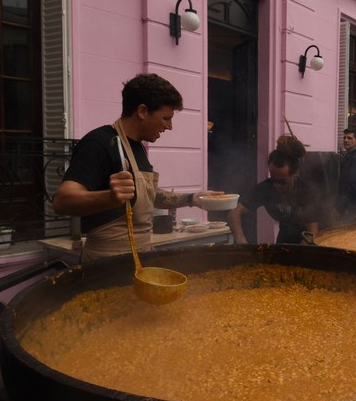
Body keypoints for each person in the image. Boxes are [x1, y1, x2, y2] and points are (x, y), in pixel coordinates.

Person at [53, 73, 212, 262]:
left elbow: (147, 195)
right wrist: (110, 197)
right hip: (106, 264)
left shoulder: (138, 147)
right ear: (143, 111)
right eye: (166, 118)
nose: (169, 126)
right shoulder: (100, 143)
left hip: (140, 256)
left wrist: (192, 198)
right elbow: (62, 201)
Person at [228, 137, 319, 244]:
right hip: (284, 237)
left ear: (295, 174)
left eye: (282, 182)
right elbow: (234, 213)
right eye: (273, 179)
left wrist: (300, 251)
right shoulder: (266, 188)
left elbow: (312, 230)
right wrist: (240, 239)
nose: (276, 185)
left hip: (310, 240)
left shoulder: (306, 191)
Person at [332, 128, 356, 225]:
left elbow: (353, 186)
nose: (345, 140)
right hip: (350, 205)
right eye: (344, 138)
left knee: (344, 233)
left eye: (349, 138)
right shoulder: (351, 155)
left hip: (350, 206)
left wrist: (339, 208)